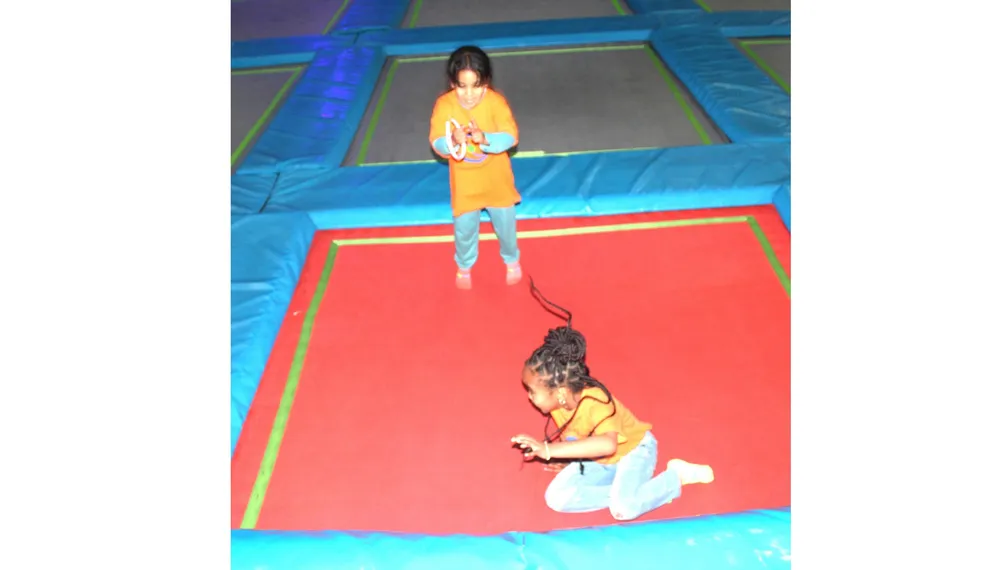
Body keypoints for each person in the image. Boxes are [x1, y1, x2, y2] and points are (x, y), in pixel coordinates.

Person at [511, 282, 715, 521]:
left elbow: (608, 445)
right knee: (557, 497)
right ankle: (630, 491)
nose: (529, 396)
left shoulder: (596, 400)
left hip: (633, 451)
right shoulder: (560, 404)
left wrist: (548, 450)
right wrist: (570, 460)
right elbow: (579, 438)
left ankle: (674, 477)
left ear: (560, 392)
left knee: (623, 509)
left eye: (532, 391)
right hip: (601, 462)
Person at [429, 45, 522, 290]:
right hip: (466, 185)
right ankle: (464, 265)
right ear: (452, 83)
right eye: (462, 86)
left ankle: (511, 260)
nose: (469, 94)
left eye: (476, 85)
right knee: (464, 230)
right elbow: (437, 142)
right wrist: (452, 140)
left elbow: (511, 136)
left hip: (496, 181)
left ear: (486, 82)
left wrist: (486, 139)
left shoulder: (496, 102)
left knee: (506, 226)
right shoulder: (445, 104)